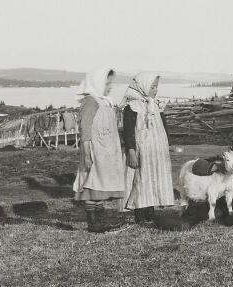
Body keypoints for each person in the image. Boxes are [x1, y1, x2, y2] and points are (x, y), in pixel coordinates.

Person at [73, 68, 128, 233]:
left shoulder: (104, 101)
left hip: (106, 151)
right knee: (92, 186)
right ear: (97, 82)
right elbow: (85, 130)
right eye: (107, 83)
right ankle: (93, 223)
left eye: (111, 83)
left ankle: (100, 221)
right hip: (95, 151)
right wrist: (87, 154)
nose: (110, 86)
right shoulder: (90, 101)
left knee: (100, 185)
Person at [121, 73, 175, 225]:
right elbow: (128, 131)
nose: (155, 90)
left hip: (157, 151)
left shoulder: (156, 105)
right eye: (152, 87)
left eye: (156, 86)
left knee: (154, 180)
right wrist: (131, 150)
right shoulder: (133, 107)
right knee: (142, 180)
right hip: (142, 150)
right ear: (143, 86)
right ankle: (140, 213)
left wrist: (168, 145)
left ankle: (150, 212)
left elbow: (163, 127)